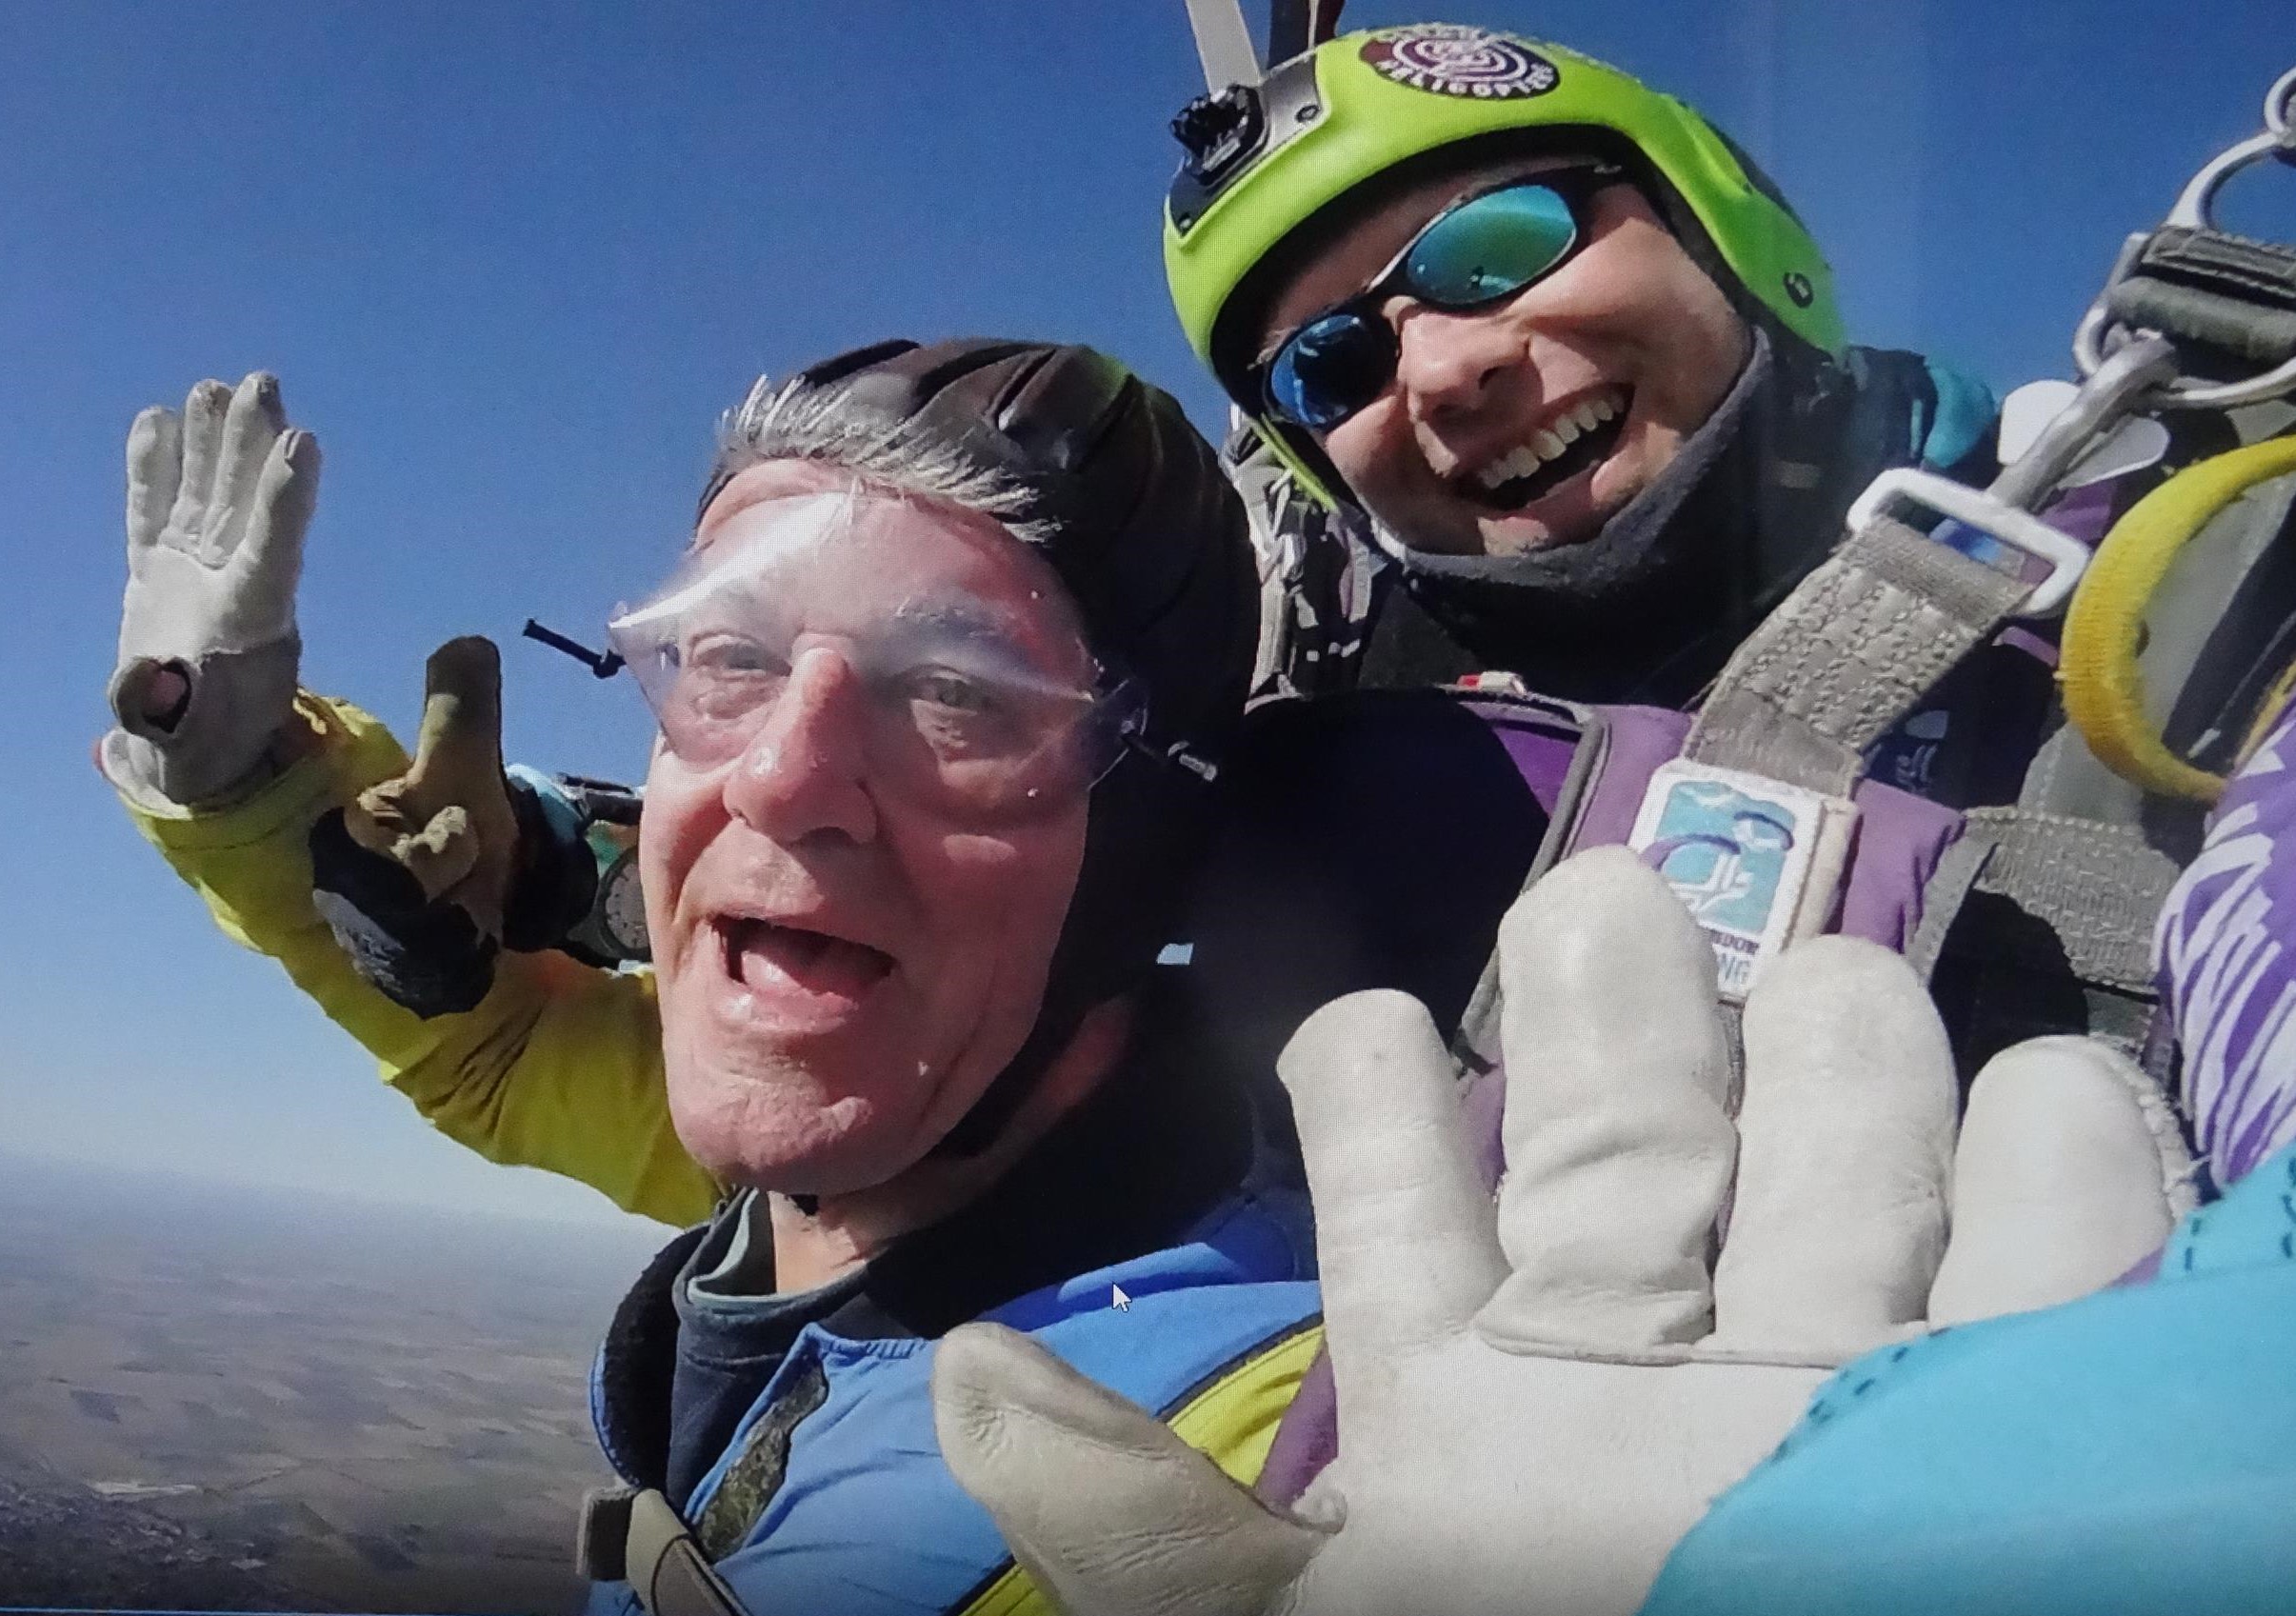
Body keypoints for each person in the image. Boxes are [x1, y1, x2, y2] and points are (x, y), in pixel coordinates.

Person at [102, 341, 1325, 1615]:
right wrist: (251, 787)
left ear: (1145, 842)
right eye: (733, 658)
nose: (777, 777)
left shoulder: (1264, 1440)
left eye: (958, 693)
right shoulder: (855, 1164)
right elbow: (497, 1048)